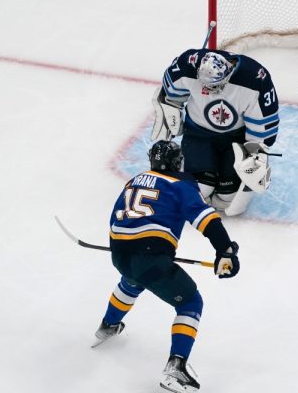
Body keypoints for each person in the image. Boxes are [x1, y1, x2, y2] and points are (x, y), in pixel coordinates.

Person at [93, 140, 240, 393]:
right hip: (148, 256)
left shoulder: (135, 180)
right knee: (190, 303)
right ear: (176, 162)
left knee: (132, 280)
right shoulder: (181, 185)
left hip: (119, 253)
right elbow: (206, 219)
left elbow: (119, 218)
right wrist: (225, 250)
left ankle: (107, 326)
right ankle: (176, 367)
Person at [150, 48, 279, 216]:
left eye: (214, 86)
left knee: (227, 198)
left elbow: (262, 128)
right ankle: (198, 169)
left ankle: (217, 174)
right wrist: (169, 108)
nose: (208, 91)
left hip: (234, 140)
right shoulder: (188, 64)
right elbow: (170, 94)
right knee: (199, 192)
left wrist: (255, 154)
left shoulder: (254, 79)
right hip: (198, 134)